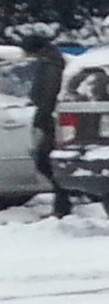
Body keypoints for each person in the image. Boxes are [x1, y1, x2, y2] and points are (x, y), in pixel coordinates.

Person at [12, 24, 69, 217]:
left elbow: (47, 95)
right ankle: (63, 198)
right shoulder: (53, 62)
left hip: (48, 118)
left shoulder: (50, 66)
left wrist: (41, 116)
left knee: (44, 159)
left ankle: (63, 200)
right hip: (50, 117)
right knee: (46, 159)